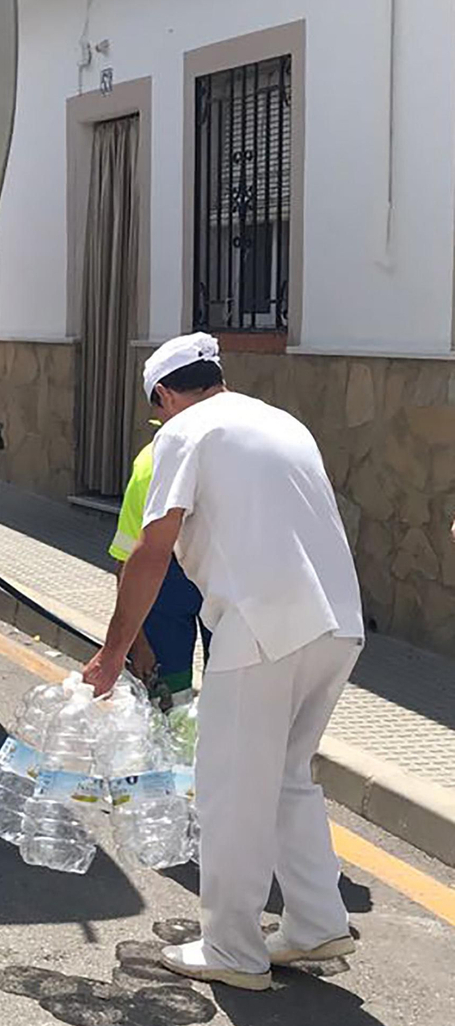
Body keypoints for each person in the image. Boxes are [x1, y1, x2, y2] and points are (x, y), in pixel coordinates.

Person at [82, 332, 365, 992]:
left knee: (230, 789)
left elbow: (151, 552)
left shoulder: (185, 434)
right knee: (289, 777)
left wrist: (112, 652)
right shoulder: (281, 422)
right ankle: (316, 923)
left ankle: (233, 950)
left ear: (164, 395)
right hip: (336, 626)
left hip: (262, 628)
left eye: (157, 409)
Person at [109, 432, 210, 710]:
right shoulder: (150, 464)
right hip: (172, 584)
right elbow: (127, 559)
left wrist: (130, 641)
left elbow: (126, 560)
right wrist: (136, 641)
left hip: (174, 584)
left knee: (218, 696)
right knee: (167, 693)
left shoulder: (150, 461)